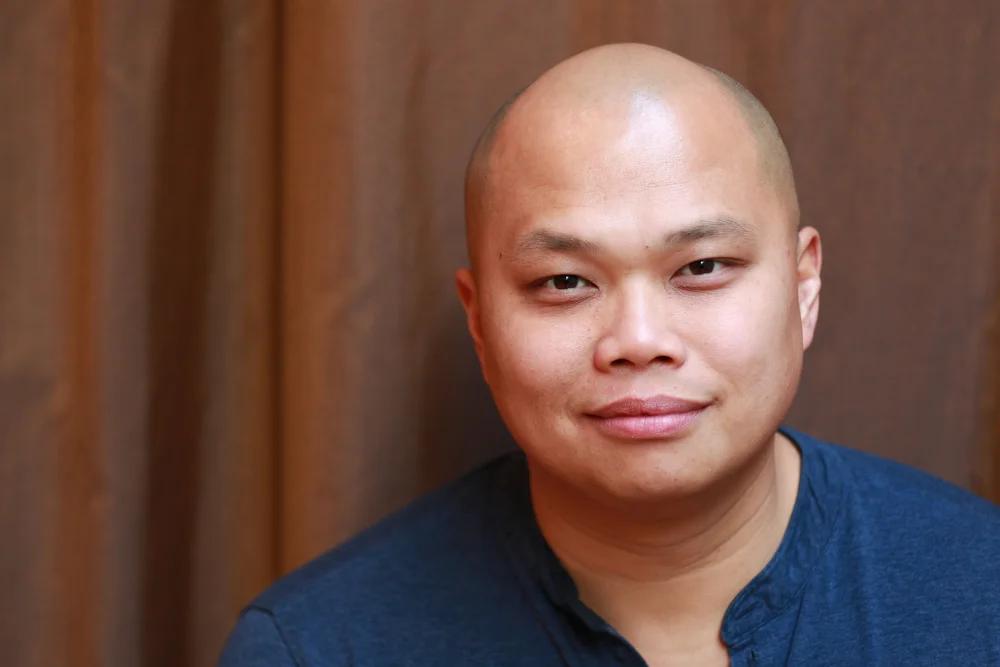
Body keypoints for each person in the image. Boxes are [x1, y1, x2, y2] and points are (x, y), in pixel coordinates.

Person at [218, 43, 1000, 667]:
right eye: (565, 281)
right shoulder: (320, 646)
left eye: (701, 266)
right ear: (479, 321)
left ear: (803, 287)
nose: (638, 340)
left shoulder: (980, 593)